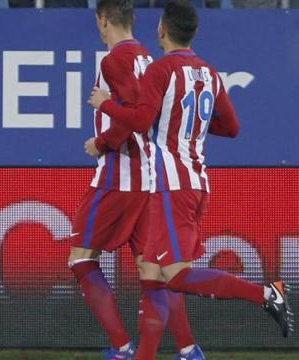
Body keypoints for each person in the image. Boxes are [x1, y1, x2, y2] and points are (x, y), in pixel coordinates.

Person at [88, 0, 294, 358]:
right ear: (193, 33)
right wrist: (190, 123)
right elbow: (232, 127)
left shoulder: (161, 70)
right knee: (152, 275)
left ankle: (265, 294)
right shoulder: (209, 73)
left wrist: (104, 103)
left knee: (176, 277)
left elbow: (138, 121)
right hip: (197, 182)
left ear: (161, 30)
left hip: (171, 185)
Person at [70, 1, 204, 359]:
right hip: (151, 179)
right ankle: (189, 348)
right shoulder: (146, 56)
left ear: (102, 20)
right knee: (154, 269)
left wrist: (101, 142)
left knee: (81, 259)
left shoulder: (114, 59)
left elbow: (135, 118)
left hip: (120, 175)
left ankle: (124, 348)